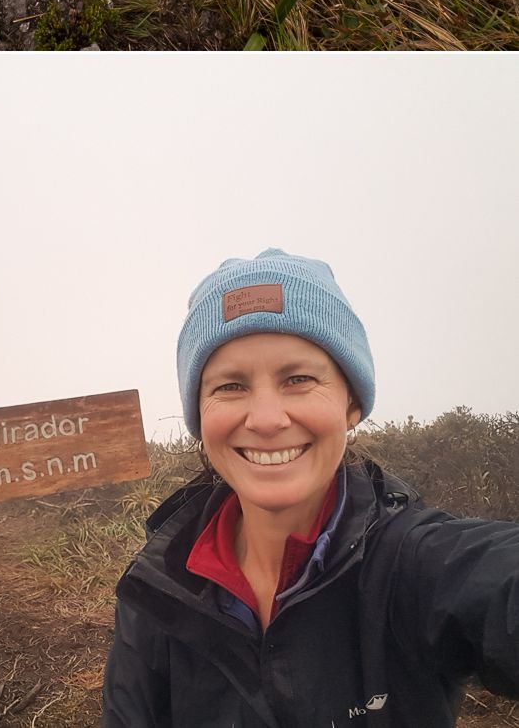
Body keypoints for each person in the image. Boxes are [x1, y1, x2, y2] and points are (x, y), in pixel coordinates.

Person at [102, 248, 519, 727]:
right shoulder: (160, 584)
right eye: (230, 386)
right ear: (200, 417)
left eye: (298, 379)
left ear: (351, 404)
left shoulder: (413, 563)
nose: (265, 419)